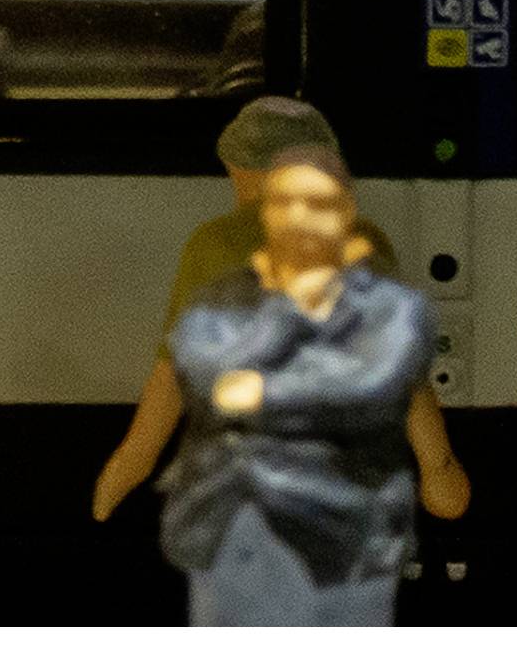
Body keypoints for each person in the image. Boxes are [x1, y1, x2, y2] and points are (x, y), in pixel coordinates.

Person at [92, 96, 468, 526]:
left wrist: (127, 466)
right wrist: (439, 466)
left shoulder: (214, 244)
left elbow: (171, 378)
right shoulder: (364, 240)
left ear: (246, 171)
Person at [161, 146, 446, 625]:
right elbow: (213, 381)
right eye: (284, 202)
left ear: (346, 212)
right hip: (240, 536)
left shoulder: (390, 308)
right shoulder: (221, 296)